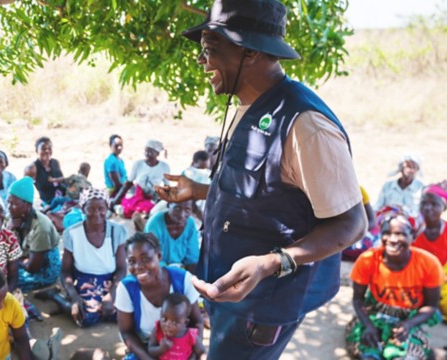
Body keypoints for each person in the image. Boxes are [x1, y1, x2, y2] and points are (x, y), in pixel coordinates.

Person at [155, 1, 367, 357]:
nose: (201, 61)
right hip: (230, 292)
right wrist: (201, 191)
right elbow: (267, 192)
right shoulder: (248, 105)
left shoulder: (306, 126)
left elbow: (351, 223)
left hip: (262, 305)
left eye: (210, 50)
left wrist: (272, 262)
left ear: (250, 51)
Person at [346, 215, 443, 359]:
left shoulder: (429, 263)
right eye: (387, 233)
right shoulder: (368, 259)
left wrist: (408, 324)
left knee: (405, 353)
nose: (392, 239)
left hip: (411, 315)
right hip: (377, 312)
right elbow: (358, 300)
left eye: (400, 234)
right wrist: (368, 325)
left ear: (412, 236)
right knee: (366, 351)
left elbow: (431, 306)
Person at [115, 233, 203, 359]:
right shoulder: (126, 288)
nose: (138, 267)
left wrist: (192, 356)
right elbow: (126, 332)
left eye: (145, 259)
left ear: (159, 256)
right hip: (146, 349)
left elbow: (197, 322)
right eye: (132, 261)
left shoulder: (183, 280)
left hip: (182, 350)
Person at [52, 188, 127, 327]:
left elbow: (122, 269)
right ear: (82, 209)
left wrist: (112, 294)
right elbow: (65, 271)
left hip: (112, 280)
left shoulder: (117, 231)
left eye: (101, 208)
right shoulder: (72, 233)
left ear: (108, 208)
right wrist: (74, 296)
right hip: (84, 279)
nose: (97, 213)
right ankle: (56, 297)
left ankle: (64, 302)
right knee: (85, 316)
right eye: (90, 209)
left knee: (127, 313)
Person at [6, 176, 61, 293]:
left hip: (44, 268)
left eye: (14, 204)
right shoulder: (11, 217)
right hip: (23, 258)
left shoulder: (41, 227)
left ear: (28, 205)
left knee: (5, 281)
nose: (9, 208)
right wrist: (9, 230)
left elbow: (32, 268)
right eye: (8, 203)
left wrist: (13, 258)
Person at [112, 140, 171, 219]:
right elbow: (128, 183)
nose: (147, 154)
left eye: (150, 151)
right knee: (128, 209)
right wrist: (117, 198)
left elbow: (167, 186)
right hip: (137, 195)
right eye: (146, 151)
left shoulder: (164, 167)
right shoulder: (138, 164)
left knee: (149, 210)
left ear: (157, 154)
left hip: (152, 196)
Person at [413, 183, 447, 319]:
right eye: (424, 203)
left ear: (443, 208)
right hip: (415, 275)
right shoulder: (413, 228)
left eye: (434, 204)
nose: (428, 208)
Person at [144, 201, 199, 274]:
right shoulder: (154, 224)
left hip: (179, 271)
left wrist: (190, 280)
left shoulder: (190, 224)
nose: (182, 215)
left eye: (187, 210)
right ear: (169, 205)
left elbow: (192, 259)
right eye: (177, 208)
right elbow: (150, 259)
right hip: (156, 271)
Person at [148, 293, 205, 360]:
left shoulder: (191, 336)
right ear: (160, 314)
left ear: (185, 322)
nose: (168, 325)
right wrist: (161, 349)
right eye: (164, 319)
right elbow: (150, 350)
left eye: (175, 322)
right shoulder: (157, 330)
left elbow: (201, 352)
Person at [24, 137, 66, 207]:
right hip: (48, 203)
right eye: (43, 149)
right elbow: (25, 189)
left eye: (49, 148)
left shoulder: (55, 163)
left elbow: (62, 182)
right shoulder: (32, 168)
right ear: (37, 151)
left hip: (63, 199)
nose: (47, 151)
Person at [342, 186, 379, 262]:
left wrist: (357, 231)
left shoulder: (359, 190)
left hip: (362, 230)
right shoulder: (332, 193)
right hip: (343, 233)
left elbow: (372, 221)